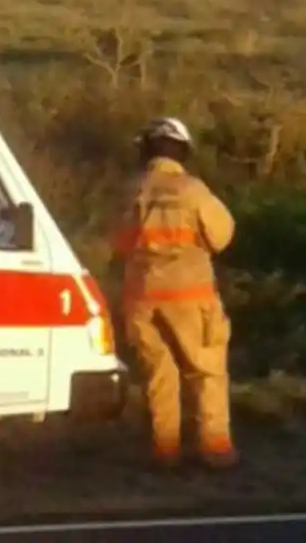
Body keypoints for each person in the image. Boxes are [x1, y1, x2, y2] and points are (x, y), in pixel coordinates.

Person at [109, 117, 238, 471]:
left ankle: (164, 451)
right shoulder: (192, 190)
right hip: (190, 297)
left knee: (157, 376)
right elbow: (222, 236)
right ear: (182, 150)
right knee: (206, 370)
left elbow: (118, 244)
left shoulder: (130, 191)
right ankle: (214, 451)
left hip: (141, 299)